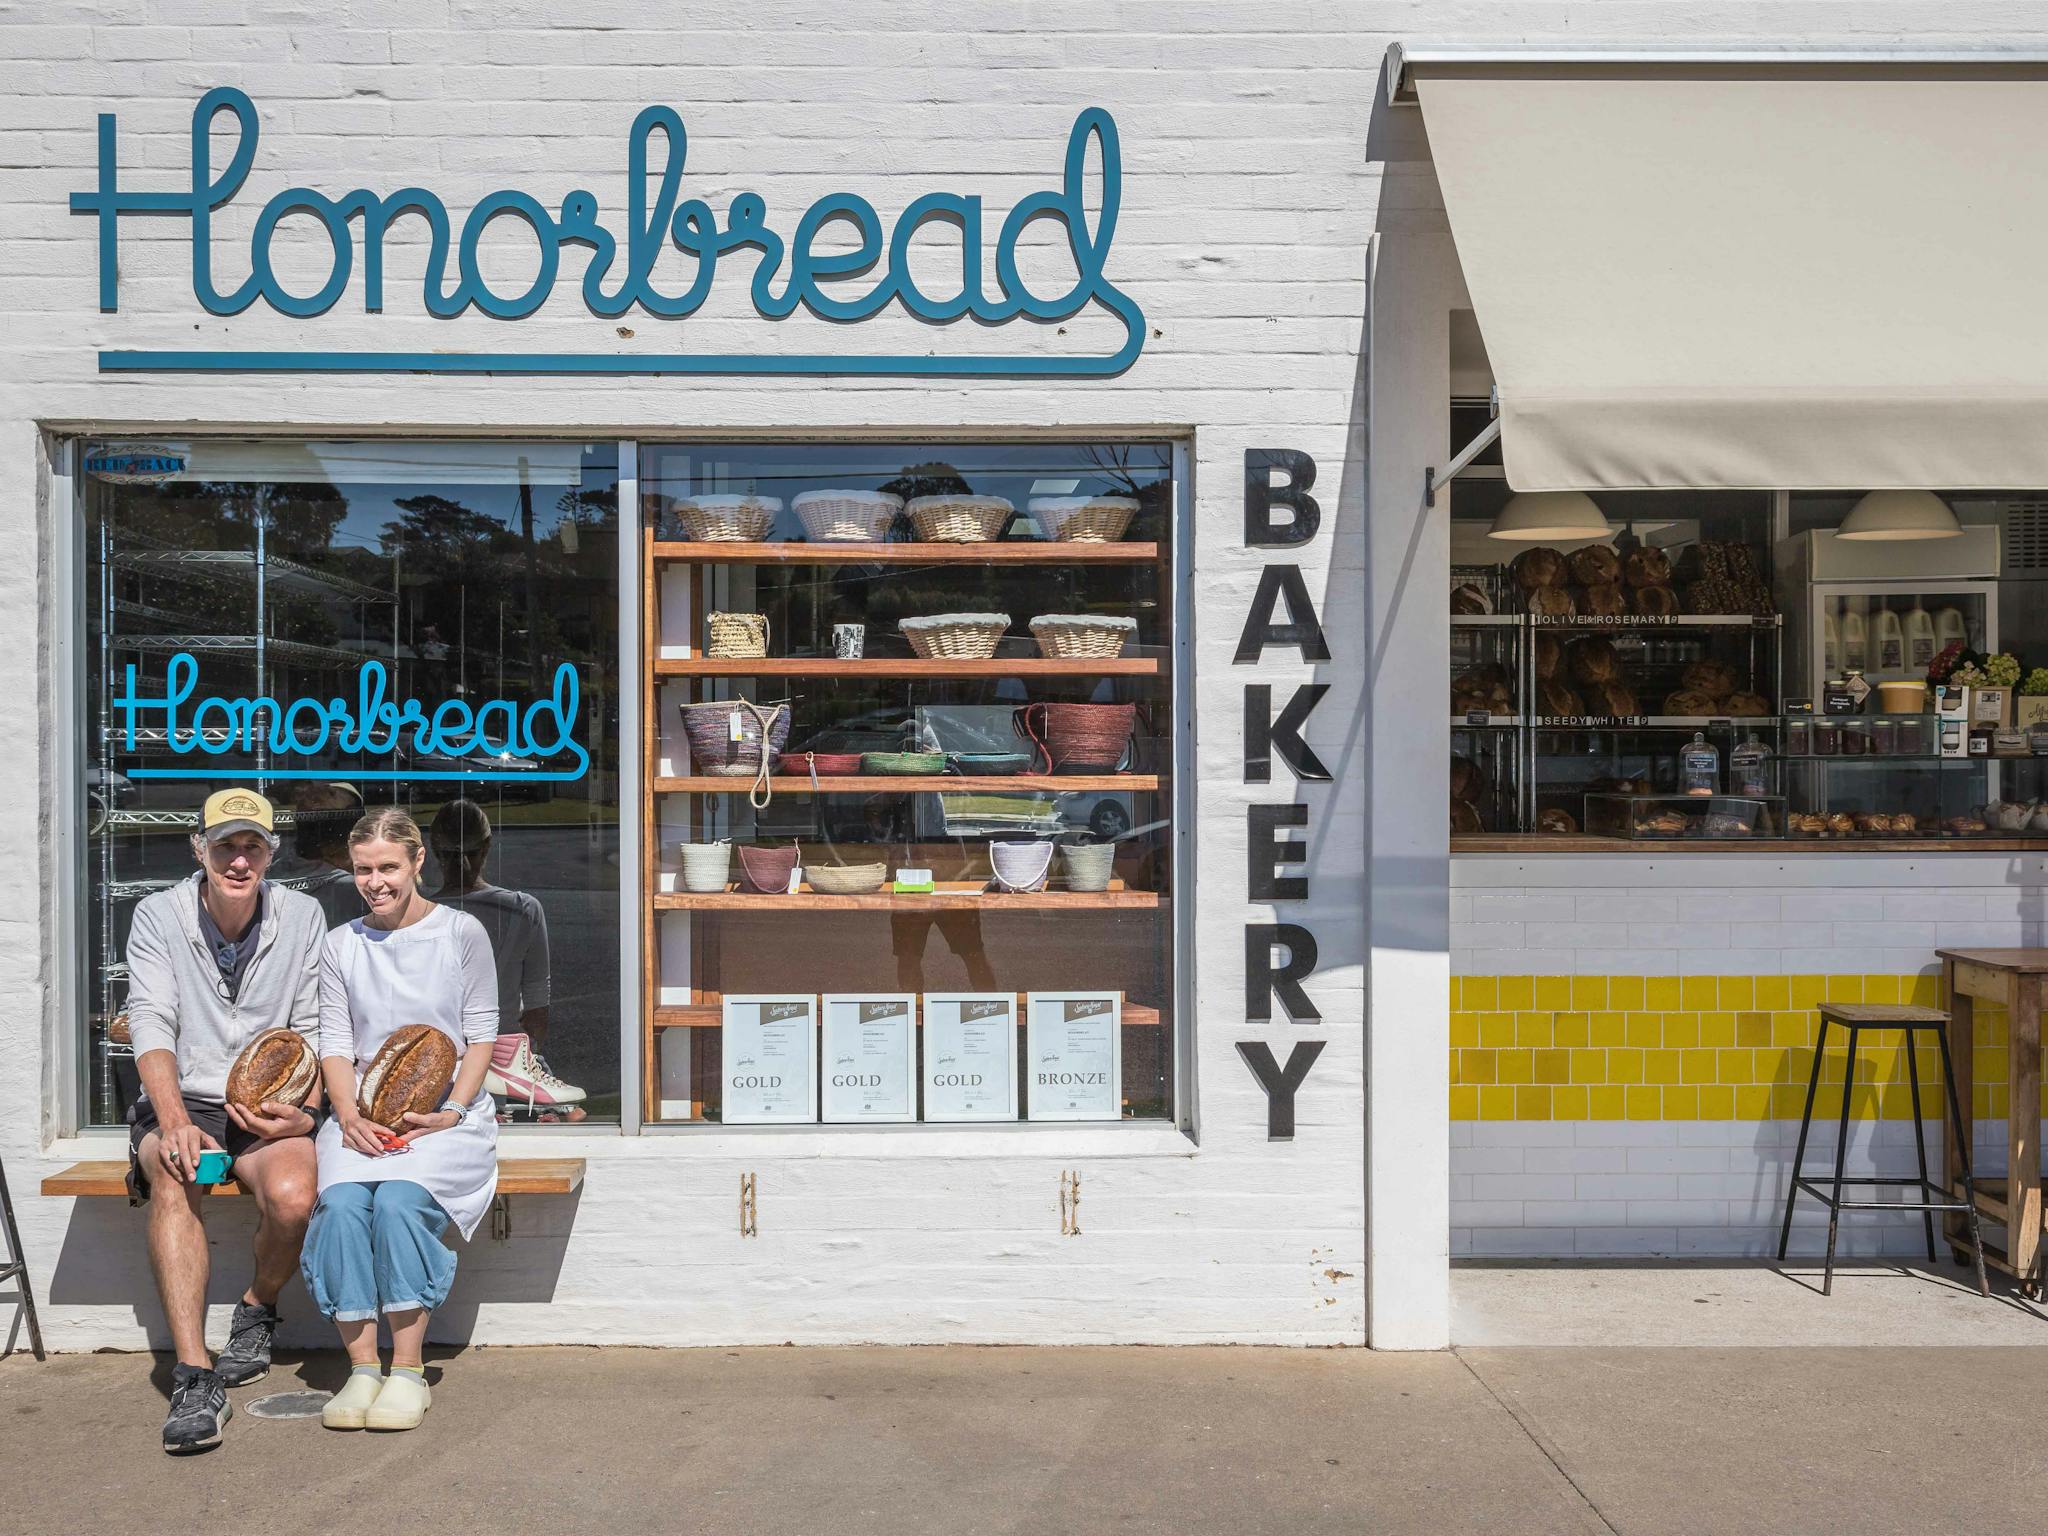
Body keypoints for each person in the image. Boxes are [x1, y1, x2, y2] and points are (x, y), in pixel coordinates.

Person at [123, 787, 328, 1454]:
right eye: (225, 846)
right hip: (185, 1099)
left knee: (294, 1200)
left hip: (269, 1101)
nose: (239, 861)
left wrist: (304, 1113)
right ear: (198, 849)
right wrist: (174, 1120)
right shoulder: (158, 914)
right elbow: (151, 1023)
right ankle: (194, 1375)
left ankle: (257, 1306)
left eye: (253, 847)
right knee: (174, 1173)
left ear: (271, 853)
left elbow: (314, 1026)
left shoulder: (302, 914)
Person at [301, 808, 500, 1432]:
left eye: (388, 867)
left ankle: (408, 1371)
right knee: (340, 1208)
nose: (375, 882)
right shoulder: (341, 944)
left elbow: (480, 1034)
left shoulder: (460, 933)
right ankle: (363, 1368)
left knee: (397, 1203)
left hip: (447, 1116)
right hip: (361, 1113)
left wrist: (452, 1111)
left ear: (417, 861)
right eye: (363, 869)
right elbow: (336, 1044)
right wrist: (346, 1115)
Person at [428, 797, 585, 1122]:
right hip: (505, 1054)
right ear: (487, 847)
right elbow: (537, 1008)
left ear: (433, 851)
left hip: (441, 1057)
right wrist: (528, 1055)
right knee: (573, 1118)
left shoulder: (421, 917)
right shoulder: (522, 909)